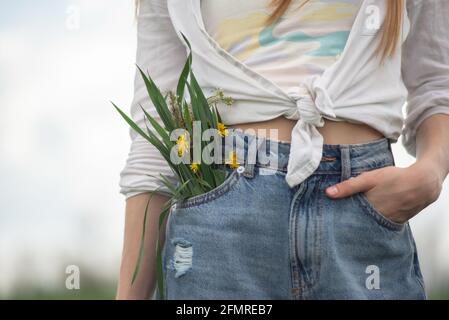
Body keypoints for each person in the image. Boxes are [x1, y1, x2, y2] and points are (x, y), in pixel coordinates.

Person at [116, 0, 449, 299]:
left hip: (364, 212)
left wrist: (432, 170)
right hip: (220, 215)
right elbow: (157, 129)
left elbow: (436, 83)